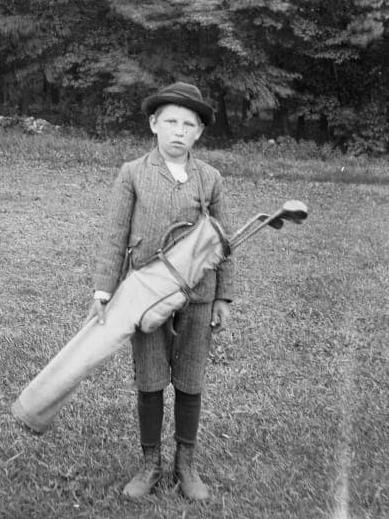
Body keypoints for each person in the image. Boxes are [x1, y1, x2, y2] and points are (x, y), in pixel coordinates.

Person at [90, 81, 234, 501]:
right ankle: (150, 463)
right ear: (154, 124)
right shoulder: (133, 173)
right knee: (150, 380)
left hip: (197, 296)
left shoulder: (210, 179)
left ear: (199, 132)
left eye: (188, 124)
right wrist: (104, 291)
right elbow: (115, 235)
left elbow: (224, 244)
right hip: (145, 296)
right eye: (170, 121)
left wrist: (223, 296)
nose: (178, 131)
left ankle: (185, 465)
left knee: (190, 380)